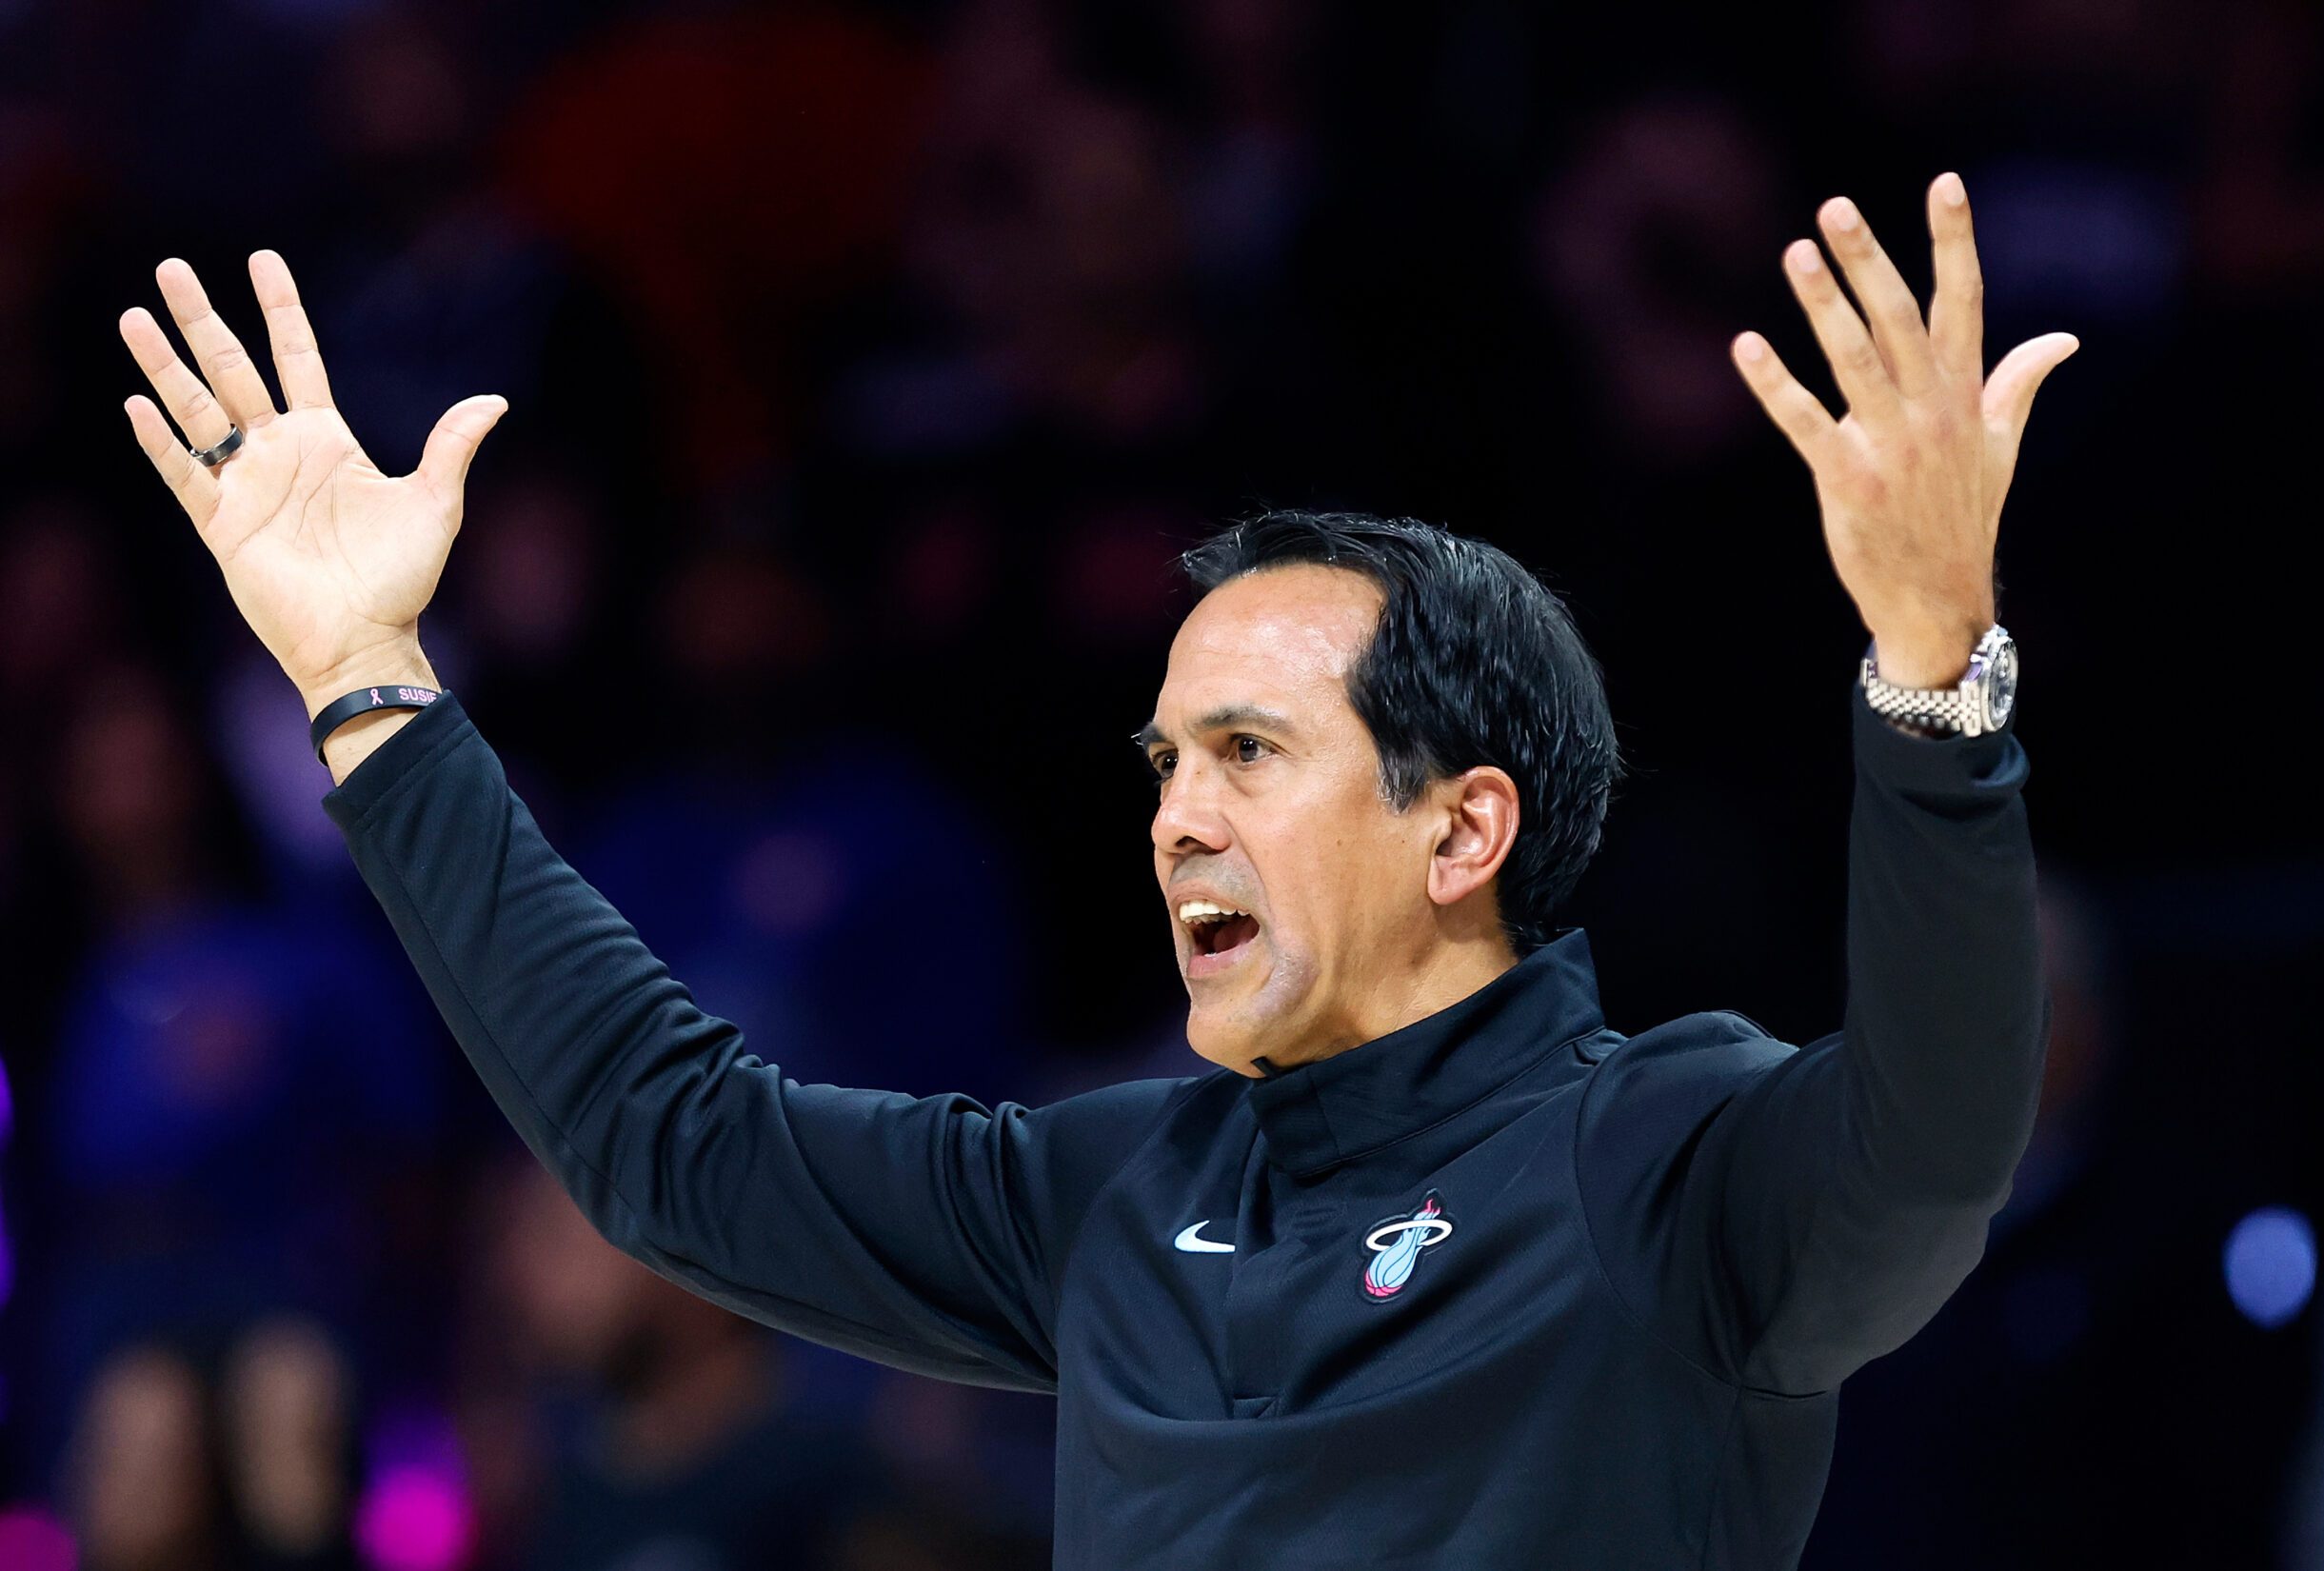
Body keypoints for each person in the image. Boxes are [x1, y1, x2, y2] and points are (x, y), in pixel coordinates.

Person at [114, 172, 2072, 1568]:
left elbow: (1927, 1147)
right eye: (1162, 760)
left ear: (1461, 827)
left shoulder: (1666, 1163)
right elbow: (665, 1146)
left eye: (1247, 753)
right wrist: (371, 683)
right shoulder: (1104, 1192)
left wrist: (1927, 690)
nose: (1173, 816)